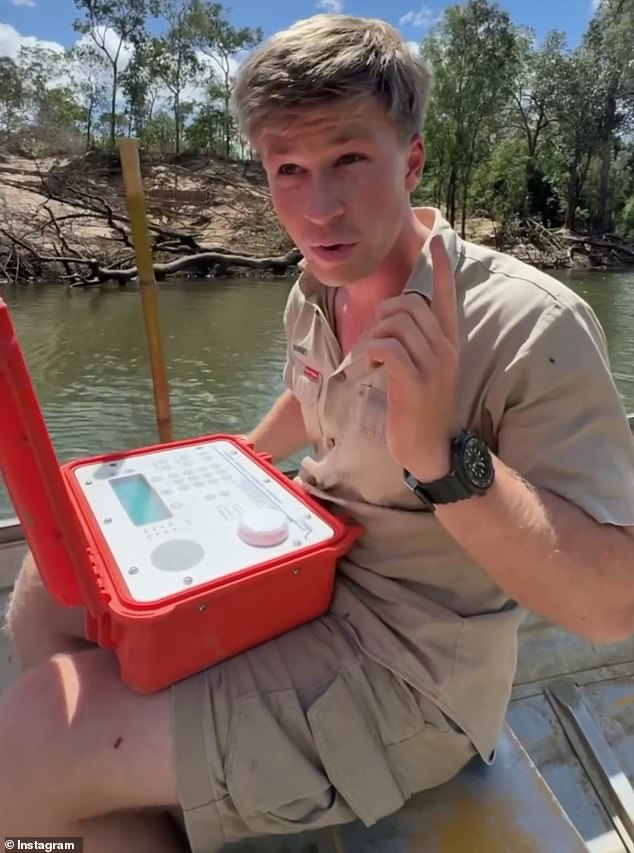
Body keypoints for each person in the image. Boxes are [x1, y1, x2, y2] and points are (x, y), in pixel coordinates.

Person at [1, 12, 634, 853]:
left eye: (349, 160)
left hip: (410, 677)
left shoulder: (528, 325)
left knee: (32, 747)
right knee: (55, 579)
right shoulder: (319, 284)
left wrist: (439, 457)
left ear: (410, 159)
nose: (319, 206)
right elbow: (311, 399)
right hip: (307, 574)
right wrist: (236, 460)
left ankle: (102, 782)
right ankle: (134, 793)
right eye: (288, 169)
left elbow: (608, 604)